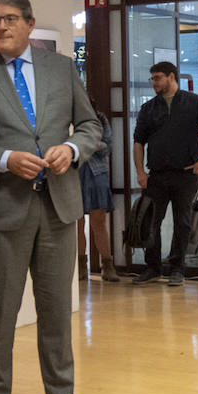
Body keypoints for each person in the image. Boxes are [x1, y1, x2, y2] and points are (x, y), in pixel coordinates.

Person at [0, 0, 103, 394]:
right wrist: (3, 159)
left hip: (58, 206)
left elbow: (91, 126)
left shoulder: (60, 68)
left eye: (10, 18)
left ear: (30, 23)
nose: (1, 26)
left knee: (57, 312)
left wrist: (72, 149)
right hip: (4, 209)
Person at [131, 61, 198, 286]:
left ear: (172, 77)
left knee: (183, 222)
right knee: (152, 220)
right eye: (152, 78)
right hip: (157, 175)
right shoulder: (148, 108)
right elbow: (138, 142)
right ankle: (153, 267)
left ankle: (177, 268)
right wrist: (140, 171)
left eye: (158, 78)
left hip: (186, 174)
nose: (154, 83)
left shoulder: (194, 102)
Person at [79, 100, 119, 282]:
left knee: (98, 221)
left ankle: (107, 264)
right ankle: (80, 265)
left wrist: (90, 144)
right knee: (77, 223)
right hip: (75, 173)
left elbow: (107, 147)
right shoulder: (70, 121)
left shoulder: (101, 121)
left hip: (97, 175)